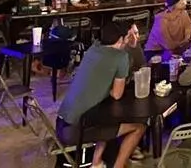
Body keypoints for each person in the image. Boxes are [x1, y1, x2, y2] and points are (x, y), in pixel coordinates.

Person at [55, 21, 147, 168]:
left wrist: (100, 86)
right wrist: (106, 88)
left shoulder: (94, 48)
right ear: (121, 39)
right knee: (139, 127)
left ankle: (96, 163)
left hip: (61, 122)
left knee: (105, 119)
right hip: (76, 130)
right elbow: (117, 94)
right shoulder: (120, 57)